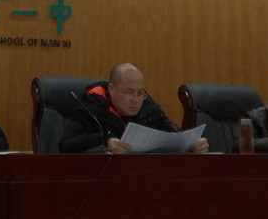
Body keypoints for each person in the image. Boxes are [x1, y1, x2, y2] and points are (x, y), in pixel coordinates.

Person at [59, 62, 210, 154]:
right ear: (112, 89)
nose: (136, 100)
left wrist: (194, 144)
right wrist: (105, 142)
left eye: (140, 93)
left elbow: (174, 134)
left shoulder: (149, 109)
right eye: (129, 92)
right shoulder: (90, 109)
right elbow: (66, 145)